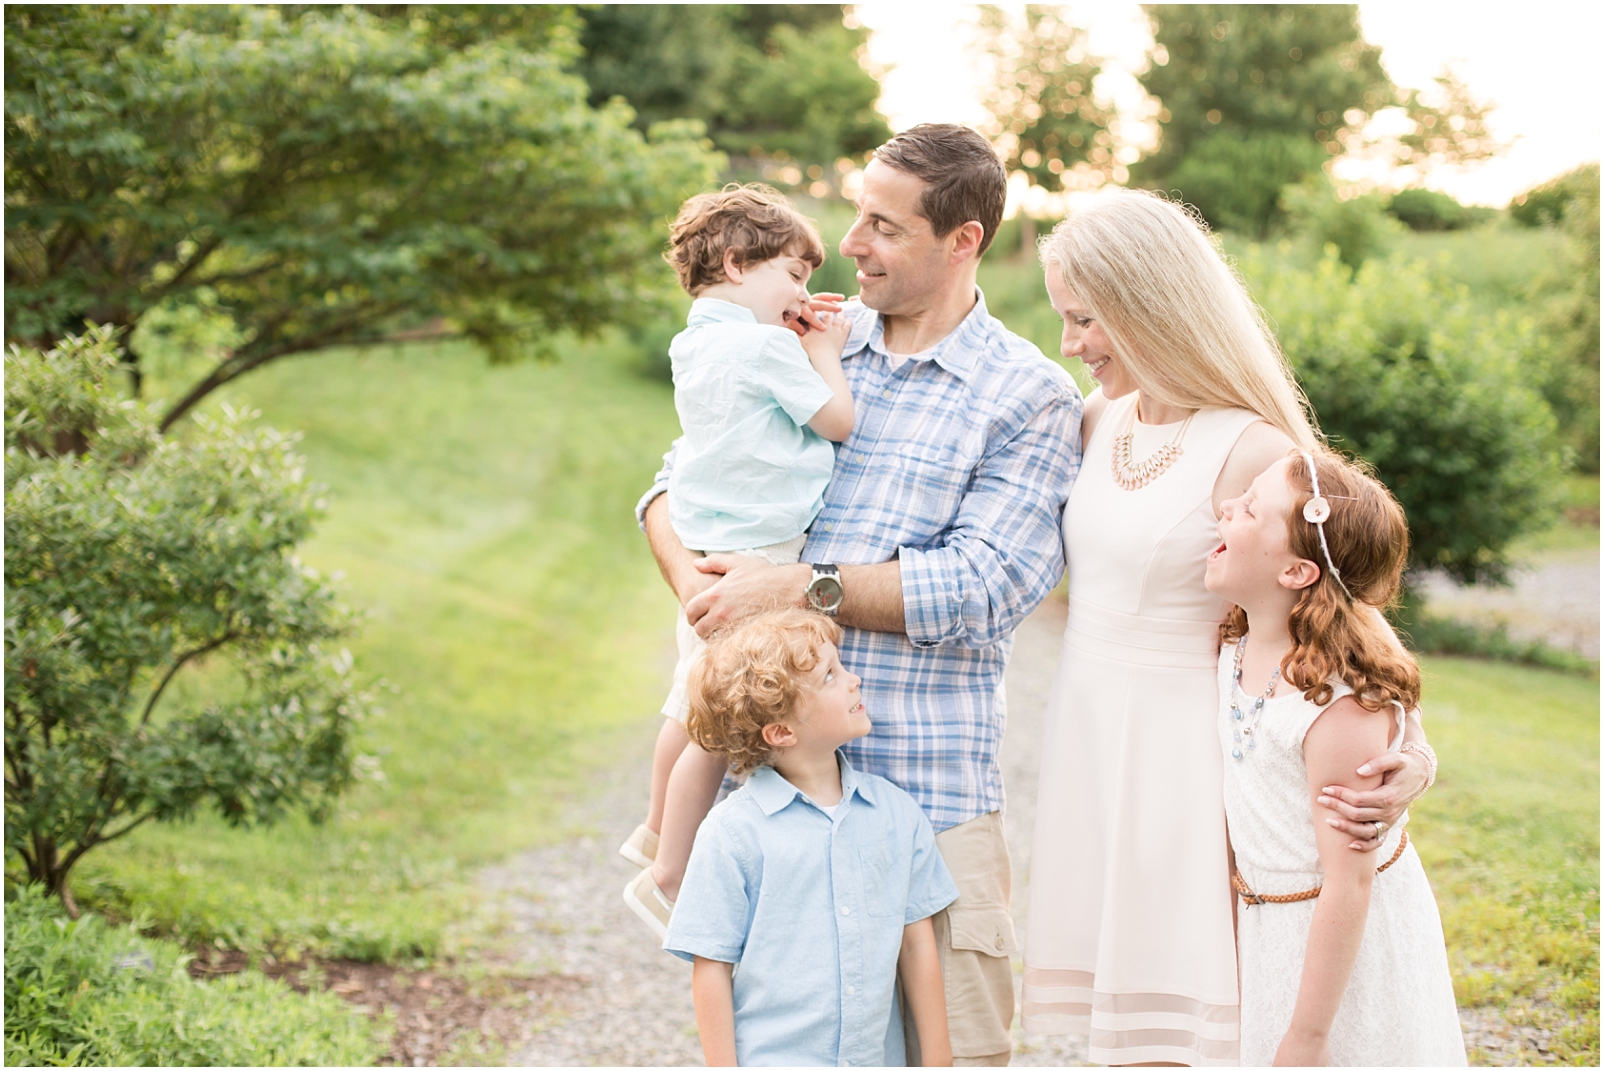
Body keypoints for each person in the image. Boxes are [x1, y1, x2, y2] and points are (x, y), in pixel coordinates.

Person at [639, 124, 1081, 1065]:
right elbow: (673, 483)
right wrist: (697, 584)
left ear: (962, 240)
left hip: (928, 790)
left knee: (951, 1046)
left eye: (882, 224)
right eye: (856, 212)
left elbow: (986, 585)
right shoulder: (803, 337)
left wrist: (801, 586)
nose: (849, 243)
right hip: (774, 795)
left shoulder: (1027, 395)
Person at [1022, 188, 1438, 1065]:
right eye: (1065, 319)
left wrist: (1413, 758)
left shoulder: (1249, 447)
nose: (1071, 344)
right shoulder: (1097, 420)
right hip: (1090, 731)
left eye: (1087, 320)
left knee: (1190, 1018)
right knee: (1111, 1018)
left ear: (1146, 308)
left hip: (1188, 753)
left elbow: (1340, 606)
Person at [619, 184, 855, 937]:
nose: (803, 291)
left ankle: (656, 829)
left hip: (713, 544)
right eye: (792, 273)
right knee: (713, 727)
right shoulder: (762, 347)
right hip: (761, 555)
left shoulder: (693, 344)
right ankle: (670, 871)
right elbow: (838, 419)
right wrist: (821, 349)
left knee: (688, 699)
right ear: (735, 262)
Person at [1205, 449, 1465, 1066]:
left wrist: (1308, 1036)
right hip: (1272, 926)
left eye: (1249, 509)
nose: (1225, 507)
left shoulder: (1336, 707)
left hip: (1342, 944)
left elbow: (1347, 883)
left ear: (1296, 572)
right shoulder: (1239, 639)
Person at [664, 608, 959, 1067]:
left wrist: (938, 1060)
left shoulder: (896, 814)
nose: (853, 680)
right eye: (829, 676)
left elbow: (917, 943)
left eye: (840, 666)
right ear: (781, 731)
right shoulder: (732, 833)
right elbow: (712, 966)